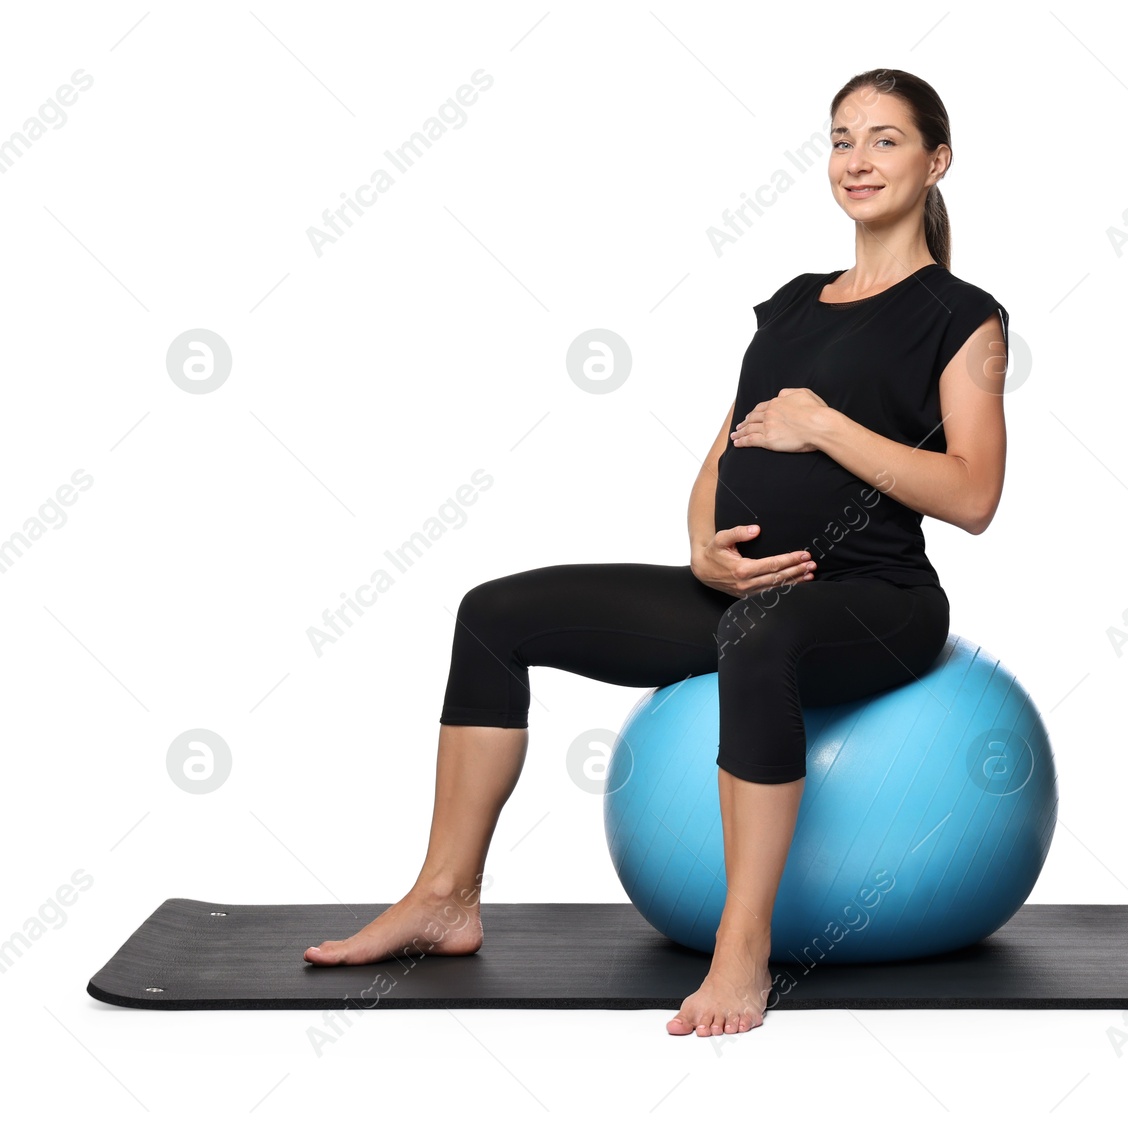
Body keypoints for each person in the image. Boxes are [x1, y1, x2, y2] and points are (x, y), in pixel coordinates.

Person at [301, 67, 1010, 1038]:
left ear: (936, 161)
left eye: (885, 139)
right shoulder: (792, 304)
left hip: (875, 599)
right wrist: (701, 549)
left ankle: (742, 946)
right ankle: (444, 895)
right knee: (494, 614)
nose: (857, 159)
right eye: (842, 137)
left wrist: (829, 427)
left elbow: (973, 494)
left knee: (757, 637)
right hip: (741, 588)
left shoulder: (963, 315)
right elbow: (722, 450)